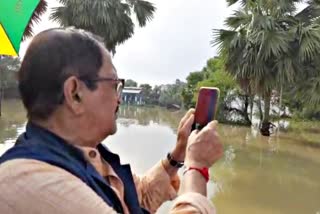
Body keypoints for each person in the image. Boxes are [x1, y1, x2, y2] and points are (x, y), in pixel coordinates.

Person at [0, 28, 223, 214]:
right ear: (75, 92)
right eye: (114, 84)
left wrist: (178, 155)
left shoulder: (86, 154)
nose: (119, 97)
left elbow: (138, 198)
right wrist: (196, 168)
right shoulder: (33, 182)